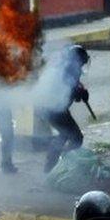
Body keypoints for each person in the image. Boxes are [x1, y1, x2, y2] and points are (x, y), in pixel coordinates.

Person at [41, 44, 90, 173]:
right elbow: (67, 91)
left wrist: (81, 91)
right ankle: (64, 161)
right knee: (76, 138)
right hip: (55, 110)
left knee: (65, 135)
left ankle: (51, 165)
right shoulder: (67, 71)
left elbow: (76, 87)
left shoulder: (66, 67)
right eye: (81, 63)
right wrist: (79, 94)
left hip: (55, 109)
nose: (81, 66)